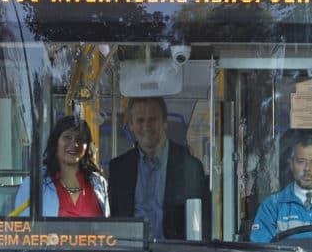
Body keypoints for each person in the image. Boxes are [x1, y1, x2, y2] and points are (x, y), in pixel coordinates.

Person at [108, 96, 211, 239]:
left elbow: (202, 224)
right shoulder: (118, 169)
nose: (146, 126)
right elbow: (115, 224)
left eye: (152, 119)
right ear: (131, 124)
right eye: (140, 120)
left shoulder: (190, 166)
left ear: (164, 122)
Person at [13, 114, 110, 217]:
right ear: (55, 142)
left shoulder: (99, 183)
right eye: (67, 137)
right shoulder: (34, 184)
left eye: (80, 139)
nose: (74, 144)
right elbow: (24, 229)